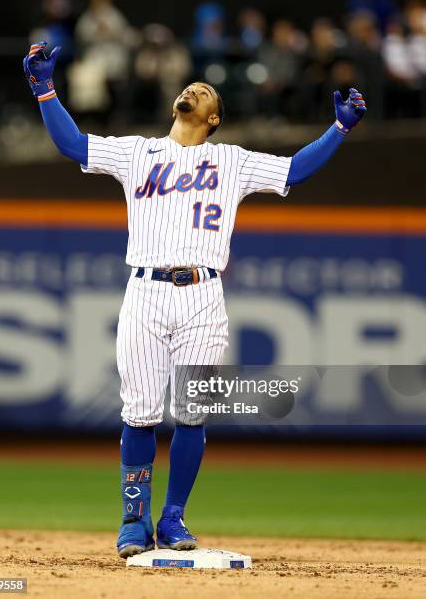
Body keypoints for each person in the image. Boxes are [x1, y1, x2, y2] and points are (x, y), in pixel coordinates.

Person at [23, 41, 367, 558]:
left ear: (214, 117)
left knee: (192, 411)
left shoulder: (231, 160)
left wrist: (338, 130)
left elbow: (294, 170)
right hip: (144, 291)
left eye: (204, 92)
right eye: (190, 87)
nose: (193, 91)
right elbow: (73, 145)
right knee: (139, 412)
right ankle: (133, 523)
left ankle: (174, 519)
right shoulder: (138, 152)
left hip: (203, 295)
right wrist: (44, 89)